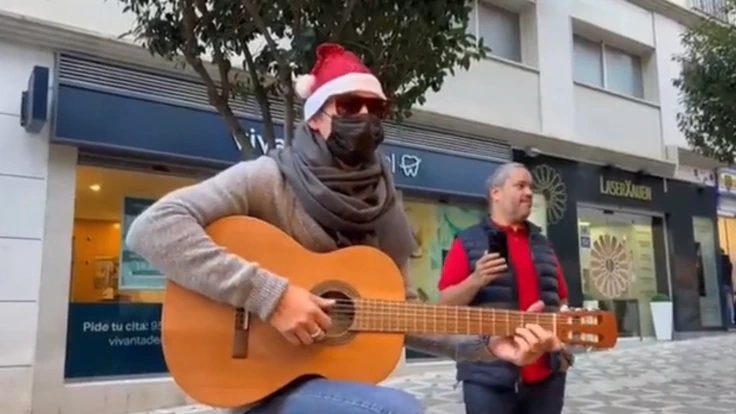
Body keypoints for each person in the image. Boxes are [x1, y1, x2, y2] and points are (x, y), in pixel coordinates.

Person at [125, 44, 563, 414]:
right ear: (316, 117)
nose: (365, 116)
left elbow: (405, 314)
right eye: (349, 105)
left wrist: (490, 344)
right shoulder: (266, 178)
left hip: (321, 379)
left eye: (376, 108)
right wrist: (271, 297)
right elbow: (153, 228)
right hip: (252, 379)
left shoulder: (384, 205)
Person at [437, 162, 570, 414]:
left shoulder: (544, 244)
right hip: (487, 379)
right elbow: (445, 305)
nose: (529, 192)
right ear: (495, 193)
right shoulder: (467, 242)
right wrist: (476, 279)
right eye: (520, 185)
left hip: (547, 378)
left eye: (530, 187)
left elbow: (560, 298)